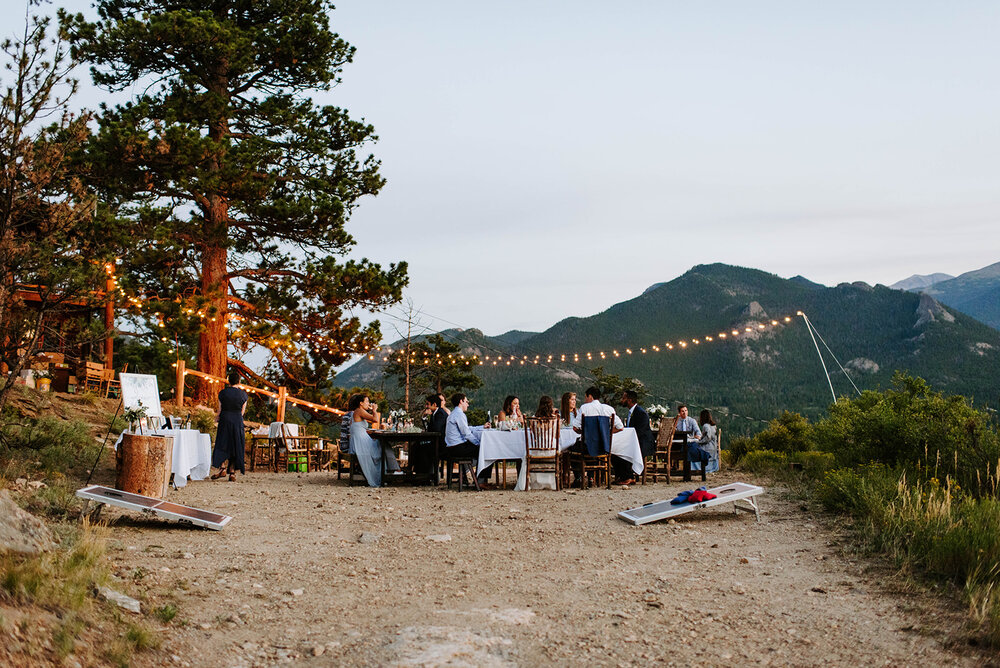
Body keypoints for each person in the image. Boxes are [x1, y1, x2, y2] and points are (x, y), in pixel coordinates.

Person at [348, 393, 400, 487]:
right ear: (361, 403)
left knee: (383, 444)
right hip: (362, 444)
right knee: (384, 444)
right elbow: (375, 419)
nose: (368, 403)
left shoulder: (357, 411)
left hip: (360, 442)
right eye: (367, 401)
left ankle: (392, 471)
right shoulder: (359, 411)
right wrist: (374, 410)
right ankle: (393, 470)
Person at [444, 393, 493, 487]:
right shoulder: (459, 414)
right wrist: (479, 444)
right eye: (466, 401)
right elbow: (467, 434)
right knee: (487, 450)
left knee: (481, 450)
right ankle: (481, 481)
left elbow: (467, 428)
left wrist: (482, 426)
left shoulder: (454, 413)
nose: (468, 404)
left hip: (452, 447)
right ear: (461, 401)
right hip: (458, 448)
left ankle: (470, 472)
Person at [211, 371, 248, 481]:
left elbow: (219, 409)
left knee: (223, 443)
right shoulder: (243, 395)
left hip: (225, 419)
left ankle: (222, 469)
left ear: (228, 381)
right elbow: (242, 411)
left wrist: (217, 417)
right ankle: (232, 472)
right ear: (239, 381)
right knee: (235, 444)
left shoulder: (222, 393)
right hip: (237, 420)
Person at [620, 390, 654, 483]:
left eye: (623, 398)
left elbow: (641, 431)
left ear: (629, 400)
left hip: (643, 443)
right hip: (636, 441)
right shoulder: (633, 412)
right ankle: (625, 476)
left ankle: (629, 477)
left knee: (622, 451)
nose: (621, 400)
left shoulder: (640, 412)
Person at [673, 403, 708, 469]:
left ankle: (689, 468)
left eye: (686, 410)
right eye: (682, 411)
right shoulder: (676, 421)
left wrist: (696, 436)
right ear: (679, 413)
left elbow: (698, 433)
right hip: (679, 443)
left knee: (691, 448)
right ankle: (675, 465)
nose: (684, 413)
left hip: (690, 441)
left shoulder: (692, 421)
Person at [698, 409, 720, 473]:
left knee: (693, 449)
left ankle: (696, 468)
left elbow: (708, 437)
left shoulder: (706, 426)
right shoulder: (713, 425)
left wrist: (699, 442)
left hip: (708, 446)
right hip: (714, 446)